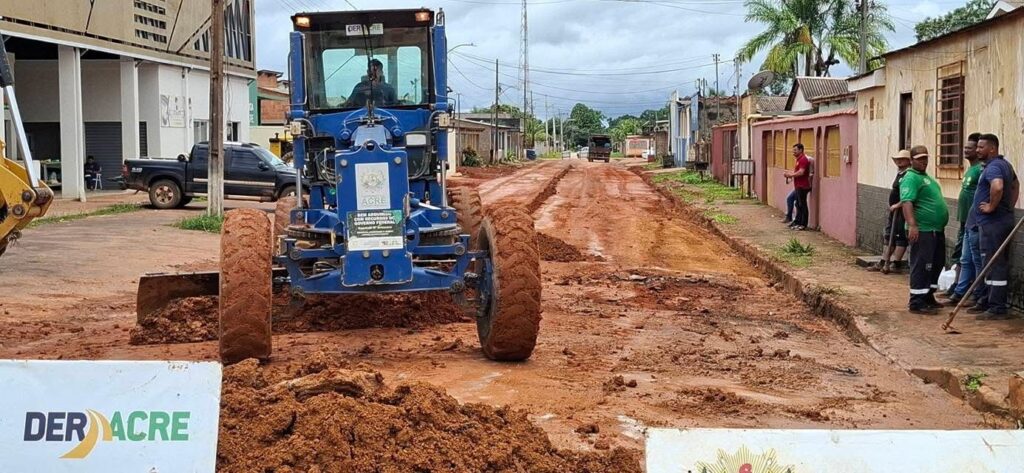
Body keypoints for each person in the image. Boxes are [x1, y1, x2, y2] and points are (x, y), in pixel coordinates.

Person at [966, 134, 1019, 319]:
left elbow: (998, 187)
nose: (977, 150)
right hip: (998, 221)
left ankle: (997, 307)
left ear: (992, 149)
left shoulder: (994, 167)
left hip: (993, 224)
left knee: (995, 264)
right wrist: (1009, 208)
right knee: (990, 263)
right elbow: (1015, 183)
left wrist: (992, 206)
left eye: (981, 147)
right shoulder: (1004, 165)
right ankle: (987, 300)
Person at [900, 145, 948, 314]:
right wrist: (913, 225)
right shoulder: (910, 178)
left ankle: (928, 296)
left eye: (925, 158)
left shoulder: (926, 178)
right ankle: (916, 301)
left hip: (935, 230)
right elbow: (907, 202)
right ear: (911, 160)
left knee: (936, 264)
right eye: (919, 158)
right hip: (923, 230)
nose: (923, 161)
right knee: (922, 265)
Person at [945, 133, 984, 304]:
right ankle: (958, 288)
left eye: (970, 148)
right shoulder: (970, 169)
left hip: (975, 222)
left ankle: (970, 291)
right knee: (962, 256)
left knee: (970, 256)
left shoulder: (980, 170)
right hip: (964, 220)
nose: (966, 150)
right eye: (965, 147)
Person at [868, 149, 911, 273]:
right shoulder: (900, 173)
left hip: (902, 211)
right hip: (894, 210)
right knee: (889, 235)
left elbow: (908, 194)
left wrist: (898, 205)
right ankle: (883, 261)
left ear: (908, 161)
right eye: (898, 160)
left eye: (902, 160)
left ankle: (895, 262)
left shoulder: (909, 175)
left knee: (900, 236)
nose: (899, 162)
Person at [783, 143, 812, 230]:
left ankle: (803, 224)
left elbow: (801, 172)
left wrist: (791, 175)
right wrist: (790, 174)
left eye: (795, 150)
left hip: (803, 186)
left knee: (802, 204)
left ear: (801, 150)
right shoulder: (798, 160)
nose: (793, 152)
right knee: (798, 204)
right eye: (793, 150)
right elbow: (798, 172)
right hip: (798, 185)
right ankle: (798, 222)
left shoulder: (803, 160)